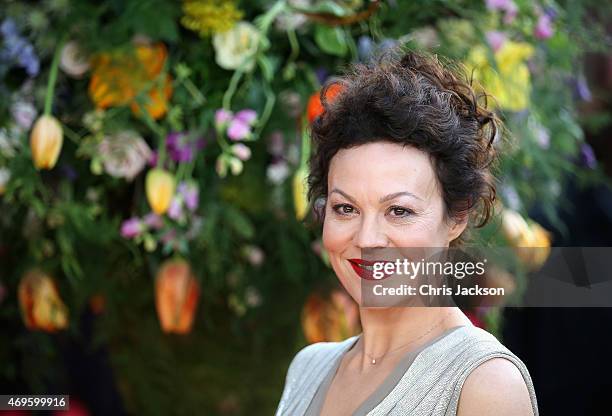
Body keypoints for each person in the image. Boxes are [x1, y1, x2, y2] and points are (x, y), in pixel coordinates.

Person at [275, 49, 538, 416]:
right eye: (345, 208)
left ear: (457, 217)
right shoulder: (308, 367)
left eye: (398, 211)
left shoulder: (483, 384)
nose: (367, 239)